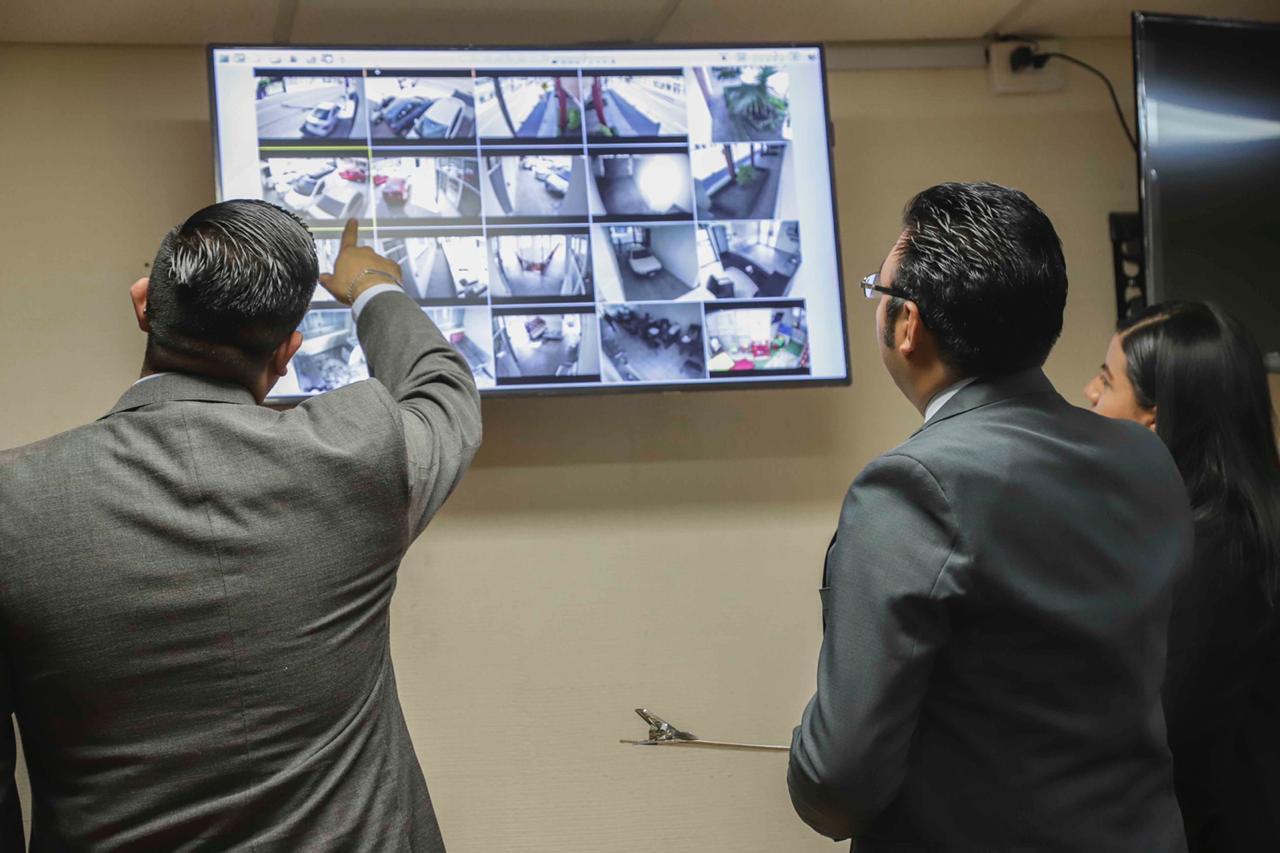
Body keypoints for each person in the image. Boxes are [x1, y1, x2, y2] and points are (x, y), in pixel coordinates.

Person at [0, 202, 481, 851]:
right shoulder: (362, 454)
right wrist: (372, 285)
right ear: (286, 352)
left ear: (143, 304)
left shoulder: (11, 502)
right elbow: (442, 389)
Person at [788, 182, 1192, 851]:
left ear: (908, 323)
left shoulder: (910, 487)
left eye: (876, 290)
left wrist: (807, 757)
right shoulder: (1144, 457)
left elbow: (838, 786)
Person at [1084, 301, 1280, 851]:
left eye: (1107, 380)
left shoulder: (1217, 550)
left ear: (1157, 416)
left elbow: (1179, 750)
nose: (1089, 392)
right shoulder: (1232, 520)